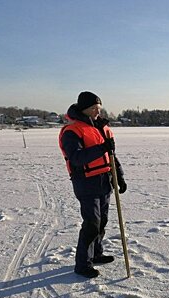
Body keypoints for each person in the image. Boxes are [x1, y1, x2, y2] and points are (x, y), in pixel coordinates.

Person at [59, 91, 127, 278]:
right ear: (84, 109)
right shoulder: (72, 131)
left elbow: (111, 156)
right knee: (92, 223)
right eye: (94, 108)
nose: (98, 111)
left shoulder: (100, 127)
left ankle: (96, 253)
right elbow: (77, 158)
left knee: (102, 221)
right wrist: (102, 148)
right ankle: (82, 264)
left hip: (104, 180)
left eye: (99, 107)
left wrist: (119, 177)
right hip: (86, 182)